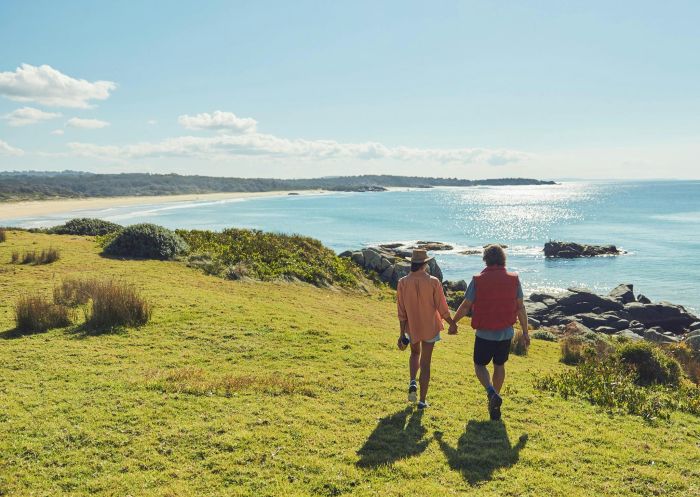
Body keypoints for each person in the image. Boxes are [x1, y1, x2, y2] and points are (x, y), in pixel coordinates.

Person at [451, 244, 529, 420]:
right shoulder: (513, 279)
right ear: (503, 258)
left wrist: (453, 322)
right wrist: (525, 332)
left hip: (484, 333)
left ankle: (491, 393)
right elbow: (520, 307)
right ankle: (494, 400)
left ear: (486, 259)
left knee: (480, 365)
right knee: (499, 366)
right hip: (506, 333)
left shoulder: (478, 279)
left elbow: (466, 305)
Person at [396, 249, 456, 409]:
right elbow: (442, 307)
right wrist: (452, 323)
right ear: (425, 264)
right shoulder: (433, 282)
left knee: (414, 353)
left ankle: (412, 381)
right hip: (430, 326)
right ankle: (422, 401)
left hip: (412, 326)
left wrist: (402, 333)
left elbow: (401, 312)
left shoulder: (402, 282)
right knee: (426, 363)